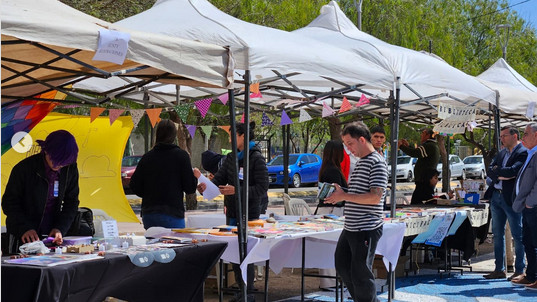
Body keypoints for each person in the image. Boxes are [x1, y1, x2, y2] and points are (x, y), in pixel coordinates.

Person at [195, 121, 268, 302]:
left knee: (245, 251)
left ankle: (247, 292)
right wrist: (204, 186)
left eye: (232, 135)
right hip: (232, 212)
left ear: (242, 136)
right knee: (236, 251)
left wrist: (238, 191)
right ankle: (241, 290)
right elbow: (219, 181)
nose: (229, 139)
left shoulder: (256, 158)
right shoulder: (230, 158)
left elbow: (262, 187)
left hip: (249, 212)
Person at [324, 122, 388, 302]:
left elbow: (375, 197)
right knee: (343, 265)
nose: (348, 149)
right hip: (352, 226)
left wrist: (344, 195)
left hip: (366, 227)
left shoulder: (376, 162)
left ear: (361, 140)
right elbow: (358, 193)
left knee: (361, 273)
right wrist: (342, 193)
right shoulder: (361, 162)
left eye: (350, 143)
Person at [2, 130, 80, 253]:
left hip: (51, 237)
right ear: (46, 150)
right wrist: (25, 228)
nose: (57, 166)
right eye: (54, 160)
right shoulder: (24, 169)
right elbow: (9, 203)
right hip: (22, 236)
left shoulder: (70, 169)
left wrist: (60, 228)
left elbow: (72, 202)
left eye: (62, 164)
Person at [129, 119, 197, 230]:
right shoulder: (181, 156)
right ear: (174, 135)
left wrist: (148, 194)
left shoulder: (147, 157)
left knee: (152, 246)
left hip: (150, 213)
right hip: (173, 212)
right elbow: (190, 188)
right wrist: (195, 177)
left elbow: (134, 185)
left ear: (157, 134)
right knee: (175, 246)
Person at [483, 125, 527, 280]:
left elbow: (513, 171)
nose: (501, 138)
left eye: (504, 135)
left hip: (511, 199)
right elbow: (489, 169)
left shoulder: (523, 153)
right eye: (501, 136)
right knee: (497, 234)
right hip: (496, 197)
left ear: (514, 136)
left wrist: (498, 172)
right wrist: (500, 174)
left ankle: (520, 270)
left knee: (518, 234)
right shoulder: (502, 153)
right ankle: (499, 269)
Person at [315, 140, 348, 290]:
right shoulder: (333, 170)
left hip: (328, 210)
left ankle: (329, 281)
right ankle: (329, 282)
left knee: (330, 247)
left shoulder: (327, 168)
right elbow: (337, 193)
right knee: (331, 247)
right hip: (332, 212)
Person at [511, 122, 537, 289]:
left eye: (526, 134)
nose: (523, 137)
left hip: (533, 207)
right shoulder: (530, 153)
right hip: (527, 207)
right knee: (528, 241)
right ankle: (531, 276)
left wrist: (530, 202)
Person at [398, 127, 439, 206]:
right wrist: (408, 146)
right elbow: (417, 152)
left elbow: (414, 153)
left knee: (416, 204)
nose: (421, 135)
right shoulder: (431, 146)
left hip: (424, 183)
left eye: (423, 133)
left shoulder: (429, 146)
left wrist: (401, 146)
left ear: (428, 135)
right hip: (424, 182)